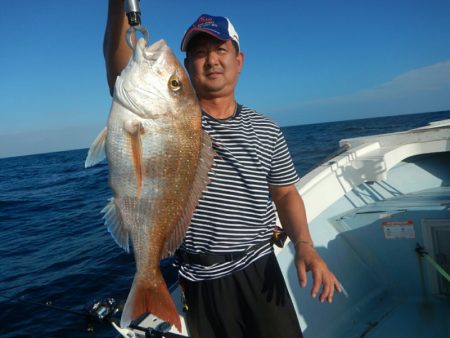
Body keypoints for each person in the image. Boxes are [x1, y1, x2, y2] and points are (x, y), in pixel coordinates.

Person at [104, 3, 341, 337]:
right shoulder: (176, 117)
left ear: (239, 61)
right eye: (199, 53)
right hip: (201, 281)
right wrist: (119, 8)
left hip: (261, 270)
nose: (211, 59)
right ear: (187, 67)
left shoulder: (267, 129)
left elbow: (286, 193)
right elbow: (118, 70)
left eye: (220, 49)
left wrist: (304, 245)